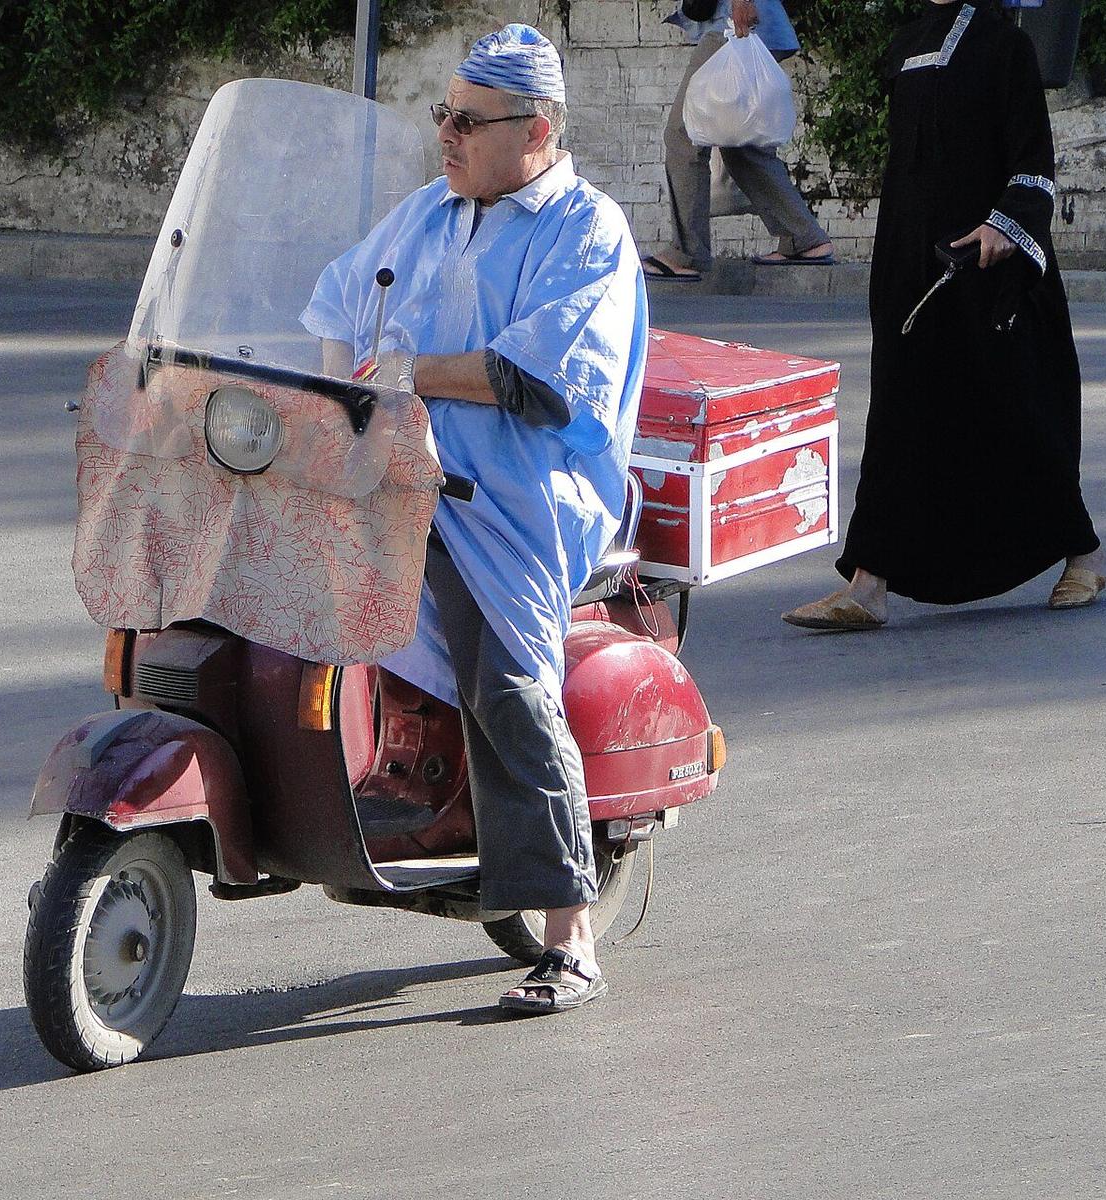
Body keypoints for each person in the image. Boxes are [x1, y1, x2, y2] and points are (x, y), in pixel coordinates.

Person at [301, 25, 647, 1013]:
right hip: (401, 479)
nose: (445, 134)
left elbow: (536, 379)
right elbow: (337, 309)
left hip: (516, 498)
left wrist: (404, 375)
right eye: (442, 115)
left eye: (467, 121)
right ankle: (394, 784)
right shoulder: (429, 211)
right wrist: (331, 409)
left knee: (505, 682)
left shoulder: (586, 229)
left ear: (536, 129)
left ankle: (572, 935)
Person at [783, 0, 1106, 632]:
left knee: (1013, 413)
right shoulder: (906, 44)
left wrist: (1005, 226)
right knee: (900, 413)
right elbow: (909, 167)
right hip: (910, 259)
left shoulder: (1006, 46)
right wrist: (894, 261)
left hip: (986, 265)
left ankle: (1084, 553)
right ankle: (869, 585)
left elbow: (1033, 161)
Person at [644, 0, 835, 282]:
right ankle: (804, 238)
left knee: (684, 136)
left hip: (733, 23)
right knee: (742, 145)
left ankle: (687, 254)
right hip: (749, 23)